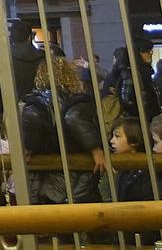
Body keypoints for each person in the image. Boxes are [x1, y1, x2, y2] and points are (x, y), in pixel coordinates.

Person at [19, 54, 104, 204]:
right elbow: (73, 118)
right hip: (75, 169)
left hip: (43, 169)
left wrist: (29, 148)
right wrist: (95, 149)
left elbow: (33, 119)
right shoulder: (77, 100)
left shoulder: (37, 101)